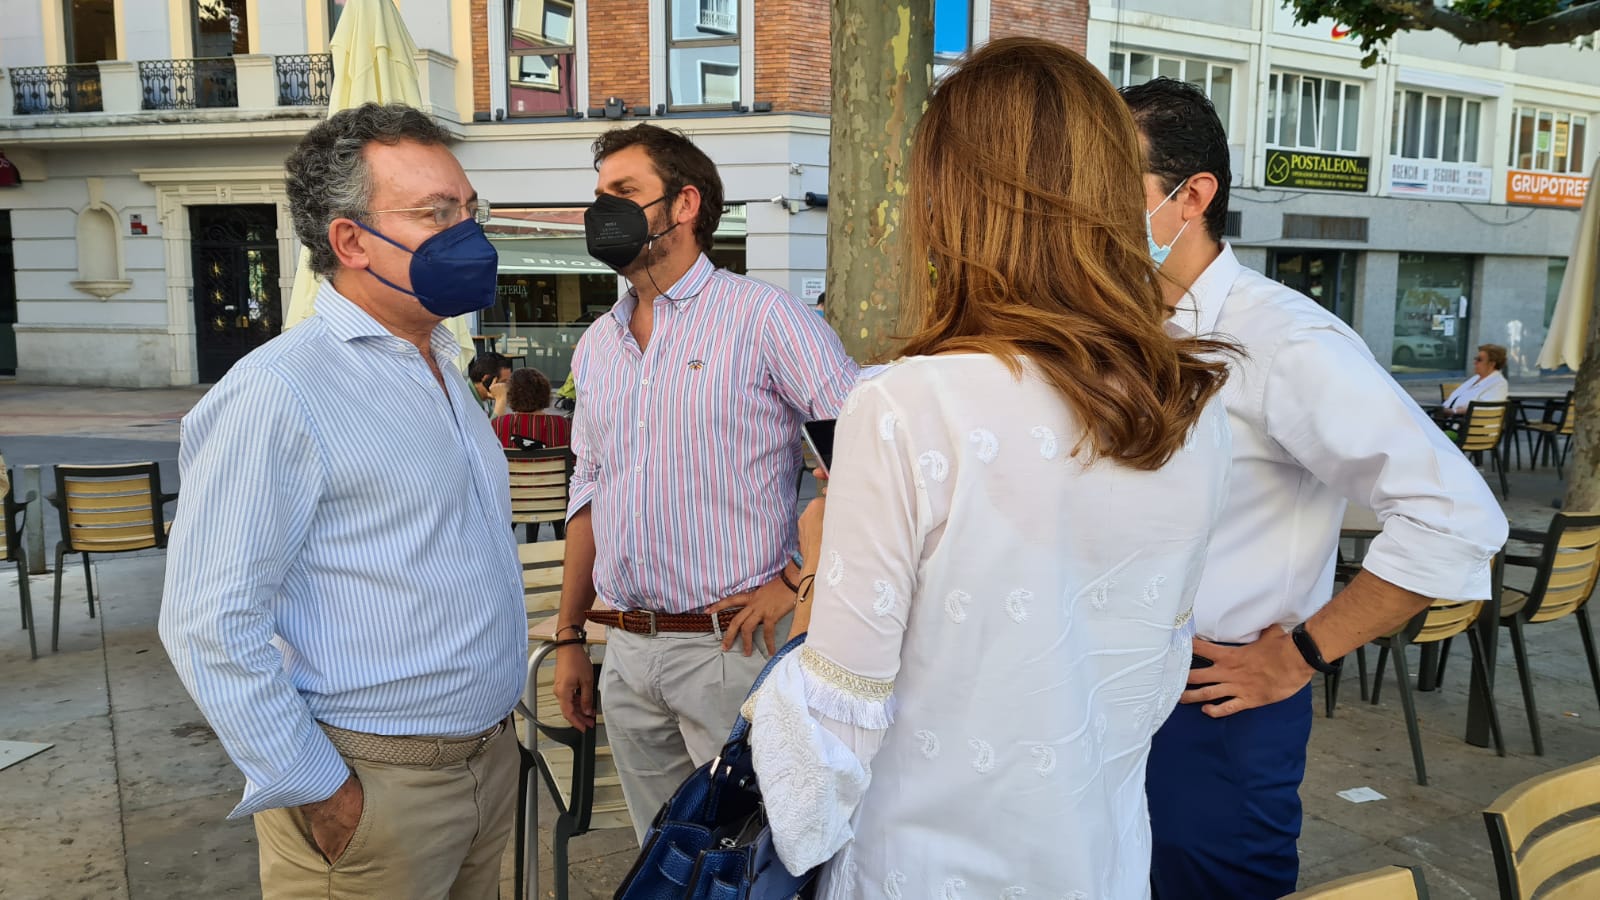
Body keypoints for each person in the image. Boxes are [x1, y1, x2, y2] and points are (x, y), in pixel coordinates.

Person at [740, 38, 1236, 896]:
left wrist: (815, 565)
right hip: (1099, 859)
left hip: (926, 871)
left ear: (948, 206)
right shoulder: (1190, 403)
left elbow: (813, 777)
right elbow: (1149, 675)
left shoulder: (905, 406)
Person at [1120, 77, 1508, 899]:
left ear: (1191, 197)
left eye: (1106, 186)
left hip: (1214, 708)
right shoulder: (1121, 331)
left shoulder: (1281, 338)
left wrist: (1302, 654)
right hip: (1108, 694)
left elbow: (1455, 517)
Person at [159, 103, 526, 900]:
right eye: (436, 214)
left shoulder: (438, 361)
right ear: (350, 241)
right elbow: (207, 619)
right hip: (375, 791)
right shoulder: (279, 391)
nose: (468, 232)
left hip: (488, 767)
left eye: (469, 210)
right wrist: (317, 787)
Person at [548, 123, 859, 840]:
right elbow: (587, 493)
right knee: (662, 858)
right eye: (598, 196)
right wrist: (571, 637)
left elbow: (862, 459)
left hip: (732, 650)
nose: (603, 212)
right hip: (626, 653)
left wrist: (792, 579)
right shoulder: (598, 345)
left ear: (684, 204)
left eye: (624, 193)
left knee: (754, 855)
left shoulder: (766, 319)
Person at [492, 367, 572, 448]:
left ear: (510, 395)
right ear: (545, 393)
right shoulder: (562, 424)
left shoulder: (498, 424)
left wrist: (500, 399)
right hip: (551, 460)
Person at [1441, 344, 1510, 413]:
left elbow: (1485, 409)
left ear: (1492, 364)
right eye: (1475, 359)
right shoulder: (1475, 378)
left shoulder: (1499, 383)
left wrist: (1455, 411)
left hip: (1465, 421)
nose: (1475, 362)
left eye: (1479, 360)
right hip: (1448, 418)